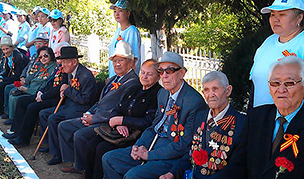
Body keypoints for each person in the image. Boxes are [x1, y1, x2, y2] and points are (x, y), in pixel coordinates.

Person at [216, 56, 304, 179]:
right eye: (275, 83)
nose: (281, 89)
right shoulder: (256, 117)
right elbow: (236, 166)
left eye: (289, 83)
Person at [102, 51, 208, 179]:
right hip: (152, 143)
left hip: (171, 154)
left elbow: (183, 144)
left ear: (181, 74)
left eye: (169, 71)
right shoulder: (163, 94)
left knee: (133, 176)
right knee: (109, 159)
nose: (164, 76)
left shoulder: (194, 102)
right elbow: (154, 126)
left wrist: (149, 155)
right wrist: (138, 146)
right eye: (161, 71)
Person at [53, 40, 142, 170]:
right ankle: (75, 163)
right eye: (114, 61)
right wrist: (89, 113)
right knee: (64, 126)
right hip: (96, 114)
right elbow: (100, 101)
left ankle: (82, 169)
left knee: (79, 135)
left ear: (130, 62)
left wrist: (93, 119)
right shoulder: (114, 78)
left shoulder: (132, 82)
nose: (116, 64)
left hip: (107, 121)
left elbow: (119, 109)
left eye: (121, 61)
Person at [83, 59, 162, 179]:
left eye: (149, 74)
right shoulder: (135, 87)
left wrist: (123, 121)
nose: (144, 76)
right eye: (143, 72)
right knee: (89, 144)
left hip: (135, 135)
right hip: (118, 131)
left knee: (101, 149)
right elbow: (117, 108)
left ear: (158, 76)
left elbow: (148, 121)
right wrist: (119, 123)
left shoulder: (157, 94)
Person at [159, 71, 246, 179]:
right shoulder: (200, 117)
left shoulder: (241, 124)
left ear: (228, 91)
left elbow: (236, 168)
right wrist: (171, 173)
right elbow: (190, 153)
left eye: (215, 89)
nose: (211, 95)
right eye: (206, 90)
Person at [6, 42, 69, 145]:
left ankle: (23, 139)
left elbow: (58, 88)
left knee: (32, 107)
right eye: (56, 52)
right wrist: (41, 92)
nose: (57, 54)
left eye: (59, 52)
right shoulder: (59, 67)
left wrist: (42, 96)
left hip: (56, 99)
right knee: (22, 101)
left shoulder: (64, 68)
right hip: (46, 94)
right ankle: (17, 131)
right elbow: (49, 84)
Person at [3, 46, 56, 125]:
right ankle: (13, 120)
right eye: (40, 57)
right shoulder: (41, 65)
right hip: (30, 87)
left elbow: (45, 84)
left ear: (51, 55)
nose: (43, 59)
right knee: (12, 92)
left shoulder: (53, 68)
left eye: (45, 56)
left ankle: (16, 122)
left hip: (36, 92)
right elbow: (31, 74)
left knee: (17, 99)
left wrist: (26, 89)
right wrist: (23, 80)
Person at [0, 36, 29, 117]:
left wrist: (2, 80)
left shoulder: (18, 57)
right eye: (3, 49)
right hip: (12, 76)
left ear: (12, 48)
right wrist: (0, 77)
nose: (5, 51)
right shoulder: (7, 56)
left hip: (20, 78)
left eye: (7, 49)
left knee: (1, 86)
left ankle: (0, 110)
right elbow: (7, 70)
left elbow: (17, 75)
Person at [108, 0, 141, 78]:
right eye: (115, 11)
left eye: (120, 11)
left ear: (128, 13)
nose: (117, 14)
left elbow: (134, 57)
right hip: (115, 77)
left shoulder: (132, 31)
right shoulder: (118, 31)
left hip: (125, 78)